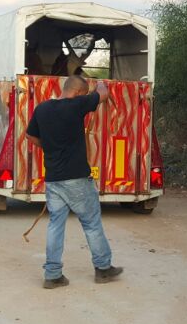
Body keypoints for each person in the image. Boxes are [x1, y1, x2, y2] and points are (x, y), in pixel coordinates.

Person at [25, 74, 123, 289]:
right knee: (91, 223)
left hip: (53, 180)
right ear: (79, 92)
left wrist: (50, 147)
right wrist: (99, 84)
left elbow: (30, 136)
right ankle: (103, 269)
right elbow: (103, 94)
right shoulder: (78, 104)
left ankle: (52, 275)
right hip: (77, 178)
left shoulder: (42, 109)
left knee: (55, 226)